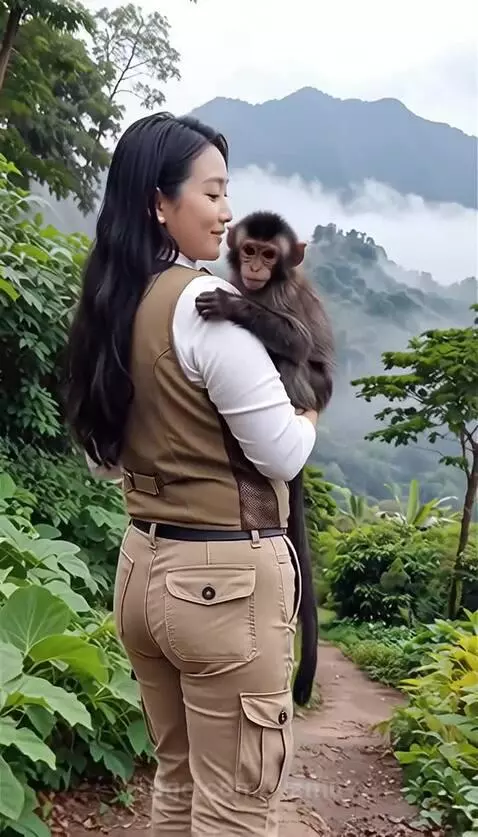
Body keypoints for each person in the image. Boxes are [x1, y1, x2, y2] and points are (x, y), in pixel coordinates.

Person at [64, 112, 318, 837]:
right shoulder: (205, 312)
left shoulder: (110, 309)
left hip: (143, 568)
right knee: (235, 808)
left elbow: (100, 455)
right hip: (223, 588)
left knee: (177, 786)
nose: (226, 211)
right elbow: (278, 452)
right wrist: (308, 422)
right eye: (211, 192)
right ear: (159, 202)